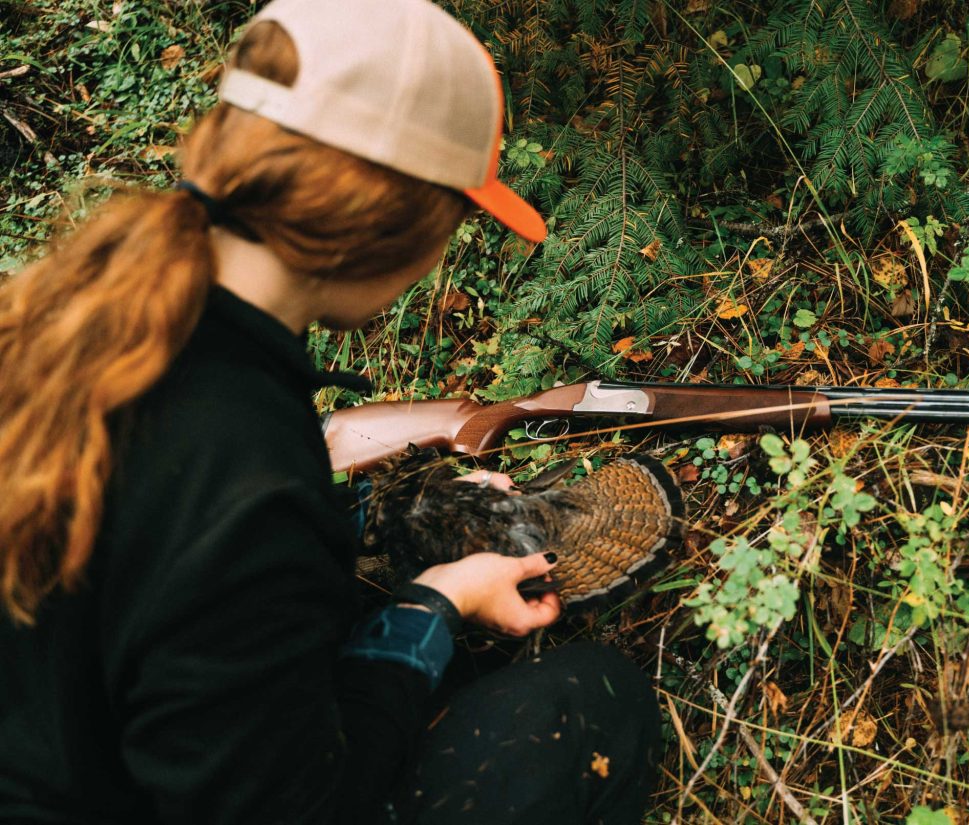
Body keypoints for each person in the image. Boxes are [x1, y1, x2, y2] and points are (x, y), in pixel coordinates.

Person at [0, 0, 661, 823]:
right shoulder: (248, 468)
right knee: (598, 701)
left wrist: (395, 517)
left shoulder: (77, 316)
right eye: (456, 217)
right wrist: (432, 607)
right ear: (392, 220)